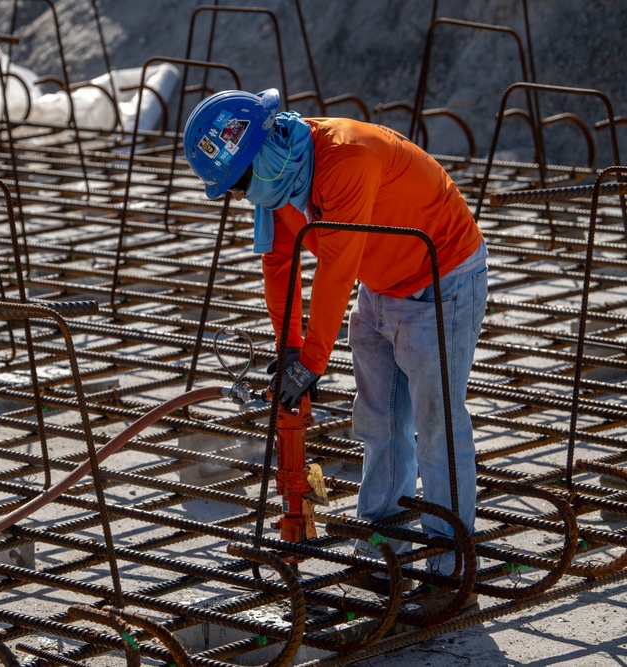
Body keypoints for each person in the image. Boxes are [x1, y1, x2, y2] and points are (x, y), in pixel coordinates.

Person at [182, 89, 488, 608]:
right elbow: (281, 263)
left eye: (238, 183)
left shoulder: (346, 159)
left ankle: (448, 564)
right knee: (378, 421)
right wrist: (289, 346)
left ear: (262, 149)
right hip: (382, 285)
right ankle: (383, 543)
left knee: (438, 427)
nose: (240, 196)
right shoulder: (282, 177)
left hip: (441, 280)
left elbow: (336, 265)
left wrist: (314, 359)